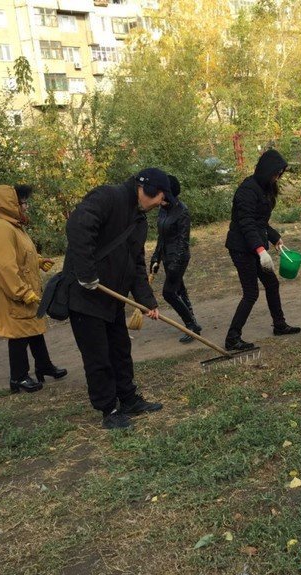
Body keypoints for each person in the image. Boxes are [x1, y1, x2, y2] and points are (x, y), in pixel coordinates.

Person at [65, 168, 169, 429]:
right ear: (146, 190)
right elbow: (78, 227)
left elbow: (136, 264)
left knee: (120, 350)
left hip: (112, 299)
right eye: (159, 198)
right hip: (86, 296)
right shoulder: (107, 197)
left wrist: (147, 302)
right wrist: (86, 274)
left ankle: (129, 399)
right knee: (98, 357)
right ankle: (109, 409)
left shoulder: (139, 221)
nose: (160, 204)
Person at [0, 184, 67, 393]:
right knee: (18, 333)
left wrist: (37, 261)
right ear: (9, 204)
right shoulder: (1, 228)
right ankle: (18, 377)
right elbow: (3, 266)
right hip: (11, 292)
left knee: (33, 326)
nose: (26, 207)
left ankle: (44, 366)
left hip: (21, 288)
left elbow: (20, 254)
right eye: (23, 203)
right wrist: (22, 292)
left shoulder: (12, 225)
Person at [224, 149, 300, 351]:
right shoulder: (247, 191)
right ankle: (232, 337)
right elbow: (246, 223)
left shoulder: (264, 188)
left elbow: (260, 222)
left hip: (255, 247)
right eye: (276, 174)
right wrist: (260, 250)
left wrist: (275, 238)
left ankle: (279, 325)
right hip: (241, 248)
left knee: (272, 283)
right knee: (250, 293)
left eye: (279, 174)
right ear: (267, 171)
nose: (277, 178)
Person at [149, 175, 201, 344]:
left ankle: (191, 325)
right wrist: (156, 257)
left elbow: (183, 241)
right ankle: (193, 323)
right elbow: (161, 236)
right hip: (166, 257)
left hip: (179, 258)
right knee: (180, 291)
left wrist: (175, 265)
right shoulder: (163, 209)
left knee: (169, 293)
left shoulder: (182, 211)